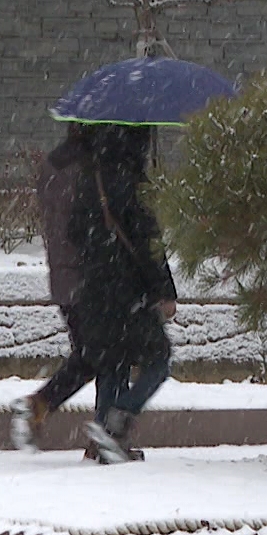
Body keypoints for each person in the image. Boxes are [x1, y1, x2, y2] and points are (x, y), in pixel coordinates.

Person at [68, 122, 176, 464]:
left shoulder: (89, 179)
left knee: (112, 364)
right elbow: (148, 245)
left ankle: (102, 440)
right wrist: (165, 290)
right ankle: (116, 423)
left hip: (94, 291)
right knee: (158, 360)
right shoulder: (133, 183)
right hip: (130, 293)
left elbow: (73, 232)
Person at [9, 124, 96, 452]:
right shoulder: (86, 169)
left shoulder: (54, 166)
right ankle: (40, 404)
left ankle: (41, 406)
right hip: (87, 276)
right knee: (96, 355)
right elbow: (85, 225)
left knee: (91, 355)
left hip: (63, 276)